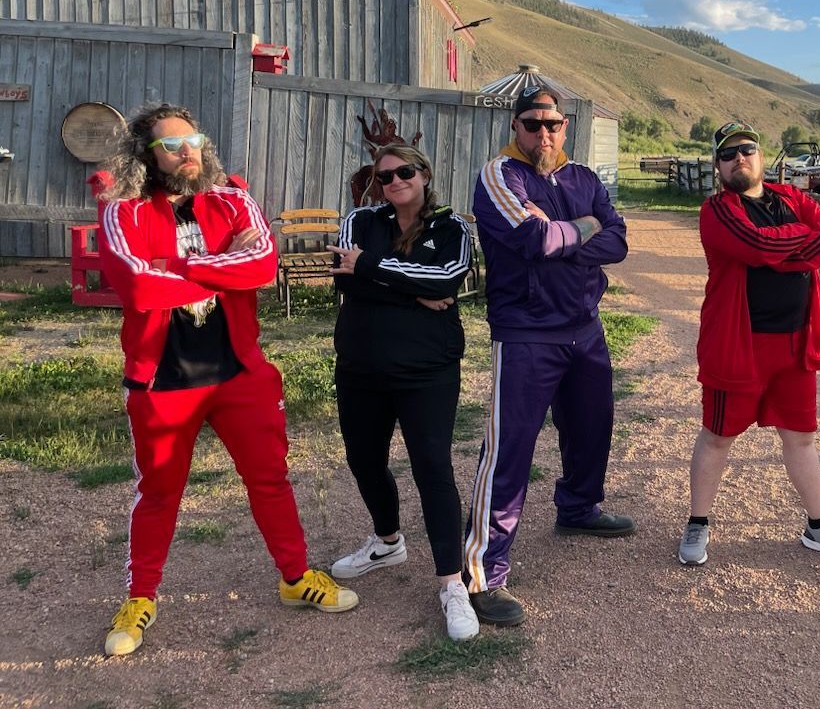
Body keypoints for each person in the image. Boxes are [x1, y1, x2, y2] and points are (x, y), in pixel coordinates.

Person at [96, 103, 357, 658]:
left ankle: (295, 577)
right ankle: (141, 597)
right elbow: (136, 286)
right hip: (162, 378)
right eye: (171, 145)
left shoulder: (233, 198)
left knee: (270, 478)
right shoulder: (123, 210)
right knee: (159, 492)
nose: (186, 152)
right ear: (146, 155)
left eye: (193, 140)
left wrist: (173, 266)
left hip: (240, 372)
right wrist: (219, 267)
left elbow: (261, 265)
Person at [464, 85, 631, 626]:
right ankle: (483, 573)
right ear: (515, 126)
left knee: (591, 428)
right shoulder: (499, 176)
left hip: (585, 327)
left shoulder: (583, 177)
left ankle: (578, 508)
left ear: (565, 127)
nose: (544, 133)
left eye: (552, 124)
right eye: (533, 124)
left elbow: (618, 242)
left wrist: (568, 231)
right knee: (509, 449)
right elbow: (534, 240)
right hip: (526, 332)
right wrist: (585, 227)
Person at [678, 121, 820, 569]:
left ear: (761, 156)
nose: (738, 158)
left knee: (801, 437)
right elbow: (755, 244)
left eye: (746, 149)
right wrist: (798, 242)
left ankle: (819, 526)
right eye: (728, 154)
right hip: (739, 346)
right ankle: (697, 522)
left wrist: (779, 249)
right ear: (718, 166)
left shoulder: (791, 198)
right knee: (718, 436)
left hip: (796, 343)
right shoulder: (716, 210)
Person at [326, 144, 480, 642]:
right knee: (364, 460)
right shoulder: (360, 220)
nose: (394, 181)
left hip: (427, 370)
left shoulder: (452, 228)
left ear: (424, 173)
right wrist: (416, 291)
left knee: (432, 468)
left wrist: (369, 268)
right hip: (361, 367)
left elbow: (448, 277)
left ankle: (452, 583)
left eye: (404, 172)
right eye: (384, 176)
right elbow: (343, 280)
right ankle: (388, 541)